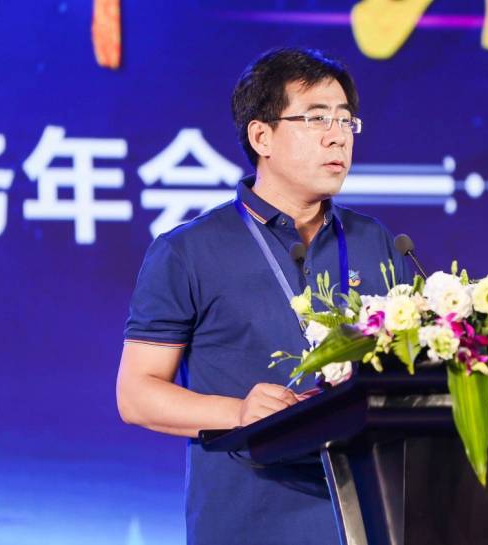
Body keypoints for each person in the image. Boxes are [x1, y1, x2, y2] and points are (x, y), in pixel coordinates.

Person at [116, 47, 411, 545]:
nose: (337, 135)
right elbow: (136, 394)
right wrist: (237, 413)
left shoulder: (376, 241)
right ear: (261, 136)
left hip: (371, 514)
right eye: (316, 118)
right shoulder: (188, 250)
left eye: (346, 120)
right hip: (252, 519)